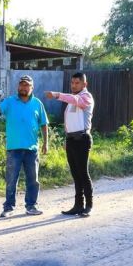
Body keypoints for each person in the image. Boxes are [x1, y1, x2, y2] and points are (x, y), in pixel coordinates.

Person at [0, 75, 48, 217]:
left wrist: (46, 143)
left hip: (32, 148)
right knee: (11, 179)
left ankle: (31, 206)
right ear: (18, 86)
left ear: (32, 87)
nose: (23, 87)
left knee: (33, 180)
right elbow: (0, 108)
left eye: (27, 85)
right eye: (21, 85)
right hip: (14, 148)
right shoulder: (10, 101)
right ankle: (8, 207)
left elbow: (44, 124)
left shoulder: (37, 103)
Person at [46, 72, 95, 215]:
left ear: (84, 84)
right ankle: (78, 205)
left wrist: (56, 95)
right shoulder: (72, 99)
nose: (73, 85)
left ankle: (89, 206)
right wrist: (67, 139)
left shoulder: (86, 97)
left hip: (82, 139)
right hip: (72, 140)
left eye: (77, 83)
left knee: (83, 173)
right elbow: (70, 121)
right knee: (75, 174)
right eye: (72, 83)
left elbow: (76, 100)